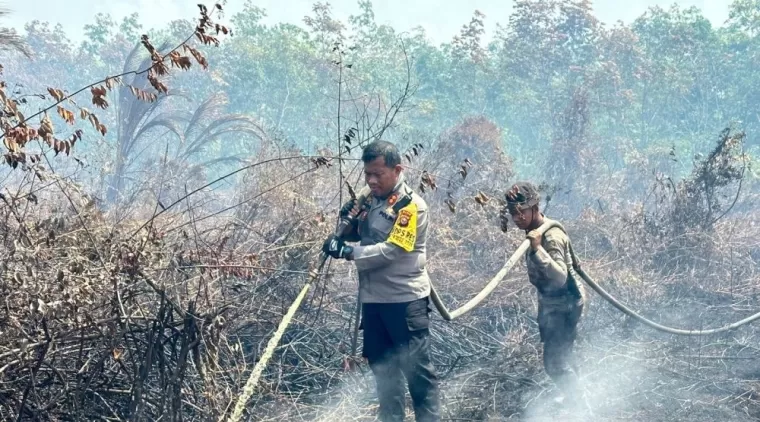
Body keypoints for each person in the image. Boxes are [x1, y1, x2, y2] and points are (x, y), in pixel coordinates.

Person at [322, 140, 440, 422]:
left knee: (418, 378)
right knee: (385, 378)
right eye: (367, 174)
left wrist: (349, 253)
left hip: (404, 303)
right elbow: (364, 235)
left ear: (397, 170)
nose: (372, 180)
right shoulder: (371, 200)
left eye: (378, 174)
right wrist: (347, 224)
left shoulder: (411, 207)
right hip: (374, 303)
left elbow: (392, 250)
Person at [500, 181, 586, 405]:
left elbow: (560, 277)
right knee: (563, 355)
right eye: (513, 214)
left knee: (554, 363)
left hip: (564, 305)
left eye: (521, 213)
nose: (517, 218)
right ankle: (575, 396)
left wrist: (537, 250)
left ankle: (581, 409)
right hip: (553, 305)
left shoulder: (550, 237)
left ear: (535, 208)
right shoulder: (535, 231)